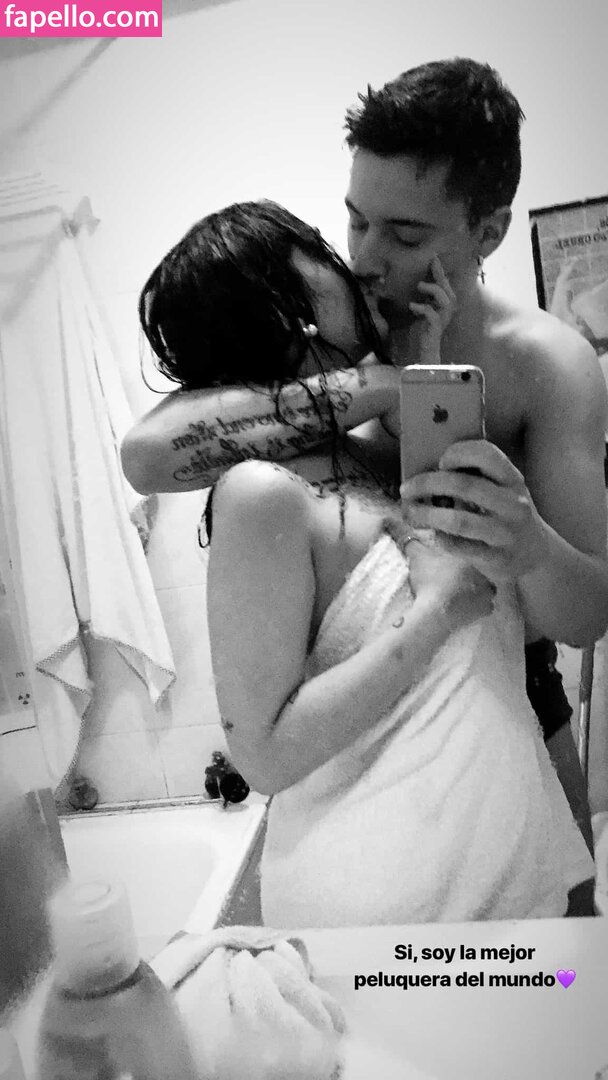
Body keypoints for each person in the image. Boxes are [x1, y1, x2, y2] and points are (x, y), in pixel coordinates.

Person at [122, 58, 608, 857]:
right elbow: (147, 456)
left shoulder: (545, 366)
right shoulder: (340, 334)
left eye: (405, 235)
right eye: (355, 222)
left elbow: (589, 614)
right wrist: (386, 384)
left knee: (558, 926)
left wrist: (527, 544)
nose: (368, 258)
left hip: (515, 690)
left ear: (488, 232)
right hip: (359, 731)